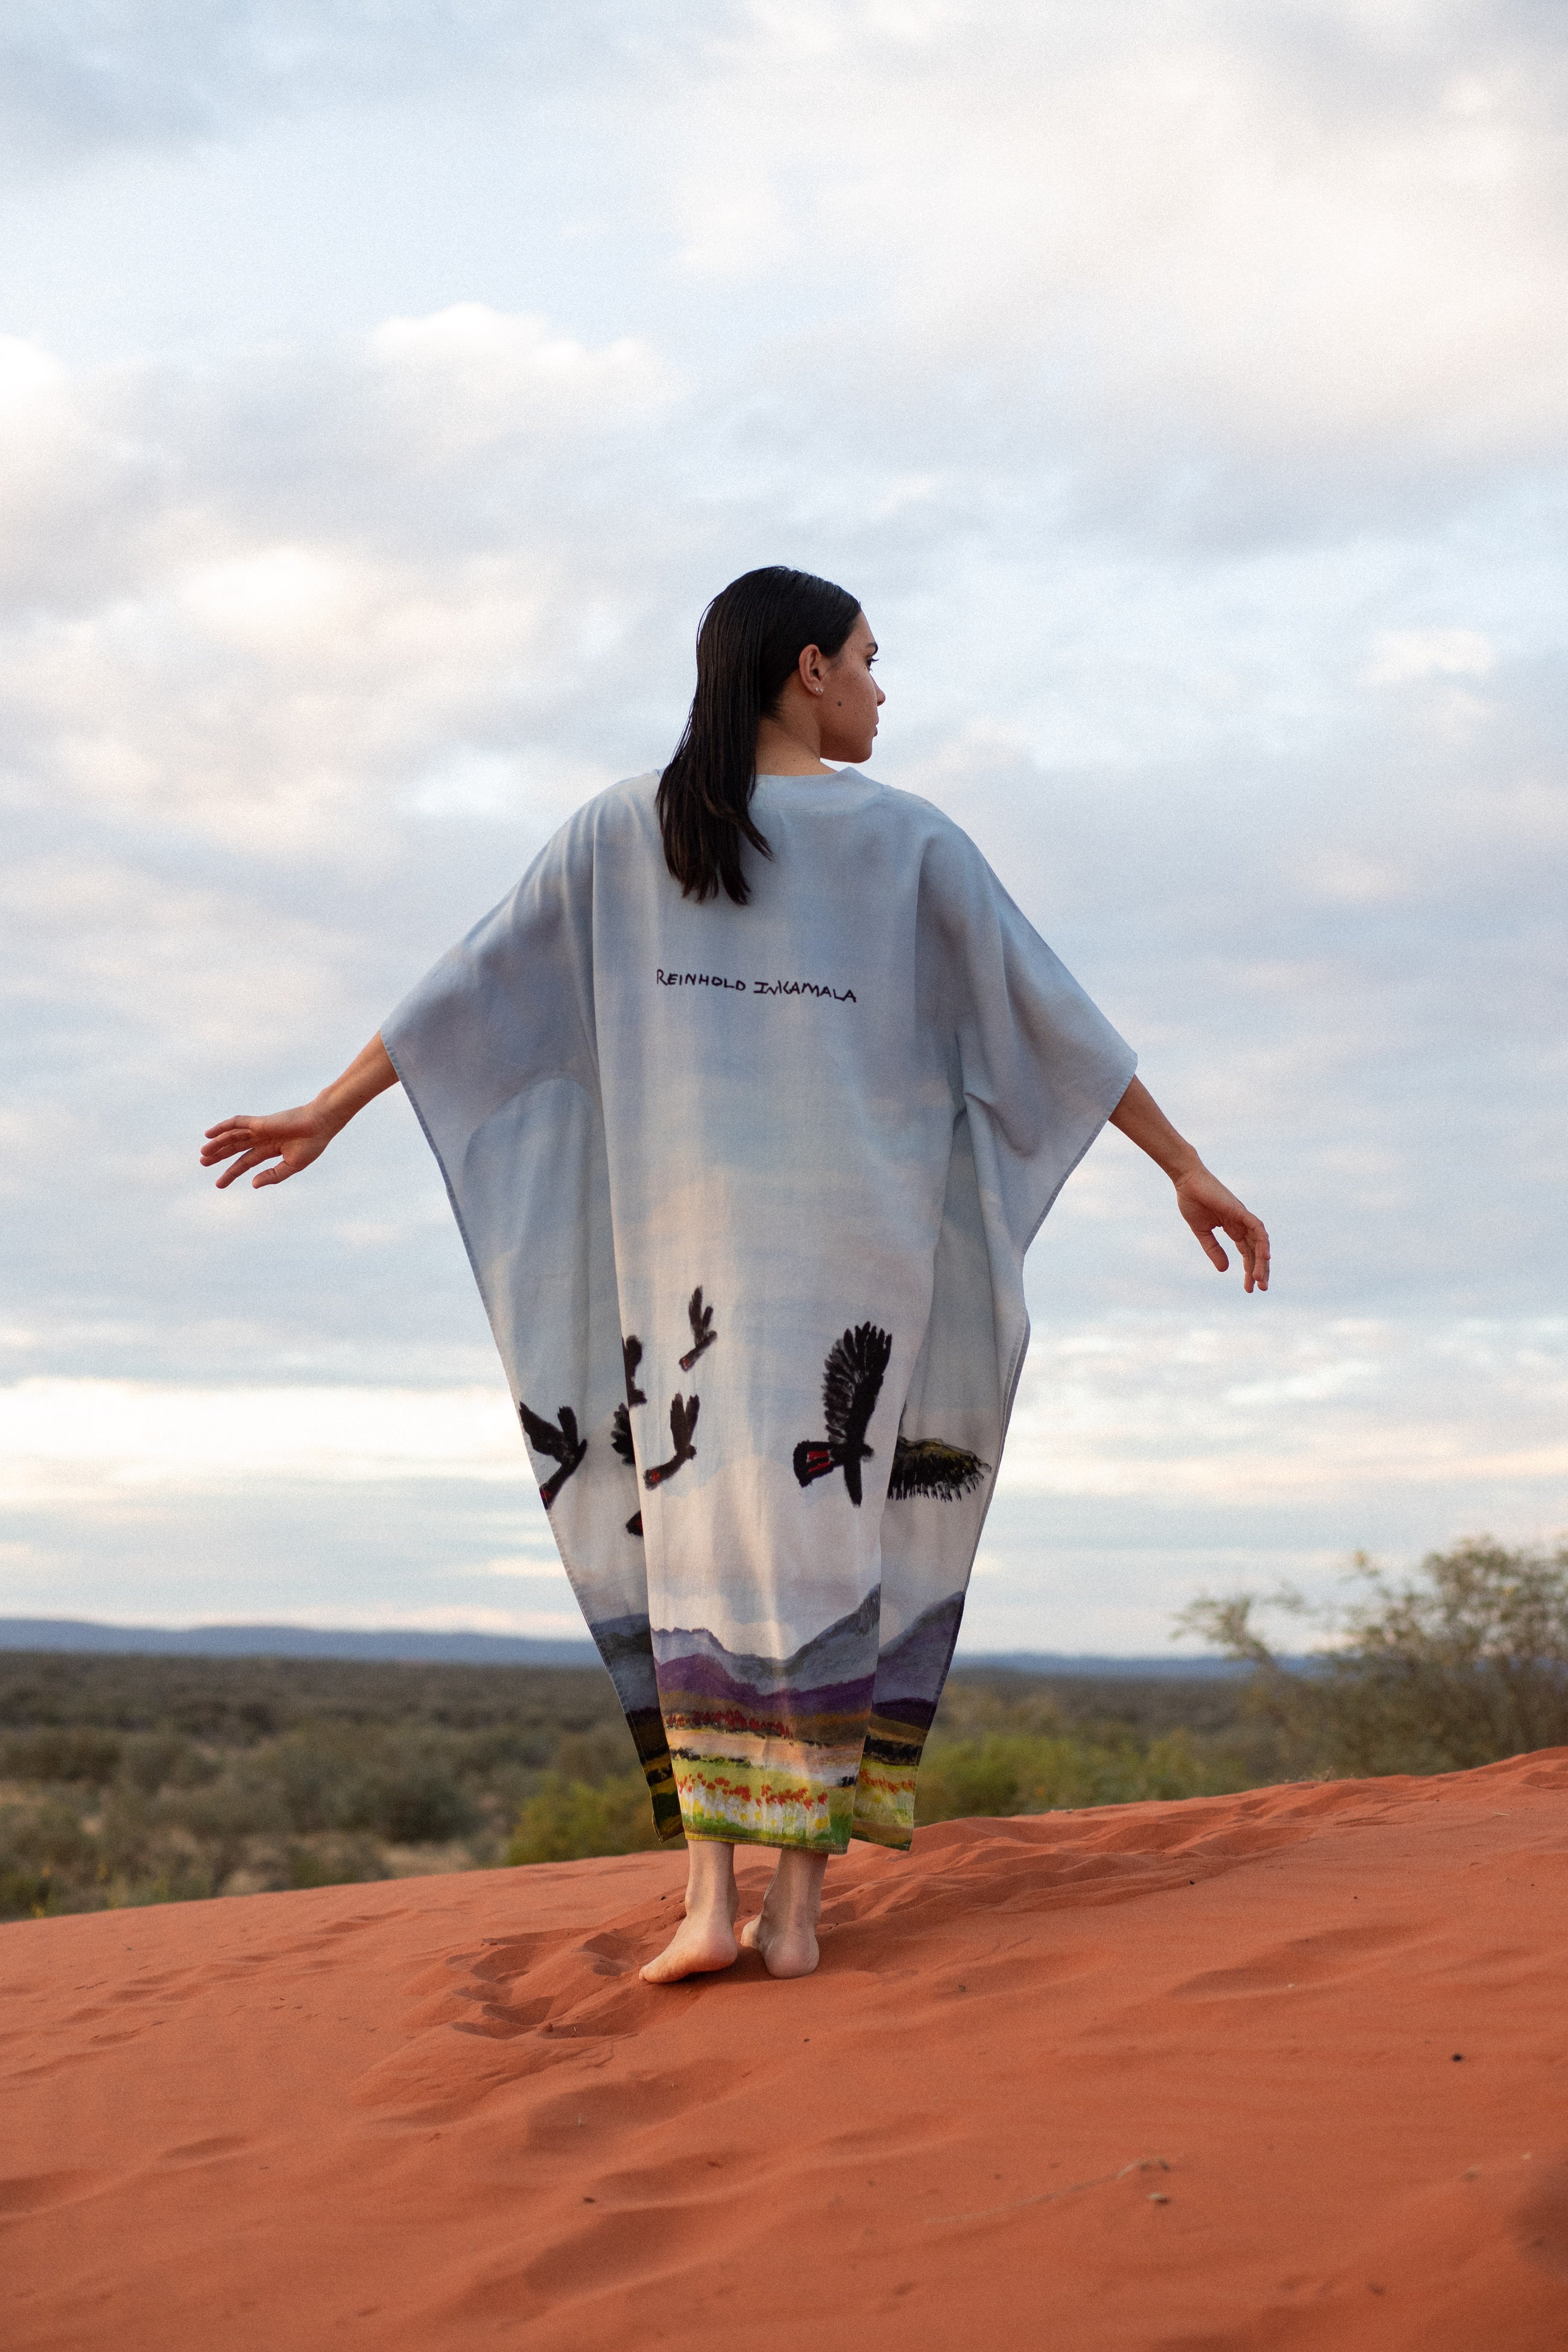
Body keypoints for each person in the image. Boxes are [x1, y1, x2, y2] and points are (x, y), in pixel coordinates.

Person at [201, 564, 1268, 1986]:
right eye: (874, 662)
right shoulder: (685, 834)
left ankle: (742, 1903)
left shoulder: (851, 842)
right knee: (796, 1548)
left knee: (709, 1540)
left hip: (705, 1257)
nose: (885, 691)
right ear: (807, 668)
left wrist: (335, 1105)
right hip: (819, 1255)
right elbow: (1053, 1022)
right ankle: (772, 1913)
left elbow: (461, 992)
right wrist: (1182, 1159)